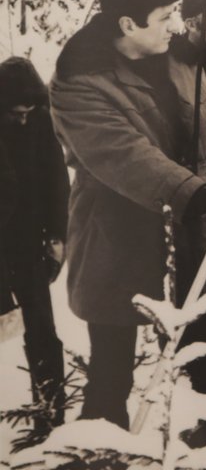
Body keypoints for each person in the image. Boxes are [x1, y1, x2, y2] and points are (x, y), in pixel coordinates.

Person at [49, 0, 206, 430]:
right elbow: (126, 155)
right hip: (116, 240)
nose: (176, 25)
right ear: (127, 24)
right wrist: (197, 192)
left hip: (195, 234)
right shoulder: (78, 81)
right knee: (111, 376)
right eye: (166, 17)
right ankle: (103, 453)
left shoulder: (183, 61)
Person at [0, 57, 69, 439]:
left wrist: (57, 236)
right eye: (15, 114)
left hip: (27, 238)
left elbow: (58, 182)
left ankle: (50, 414)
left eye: (29, 112)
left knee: (41, 326)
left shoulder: (41, 120)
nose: (23, 120)